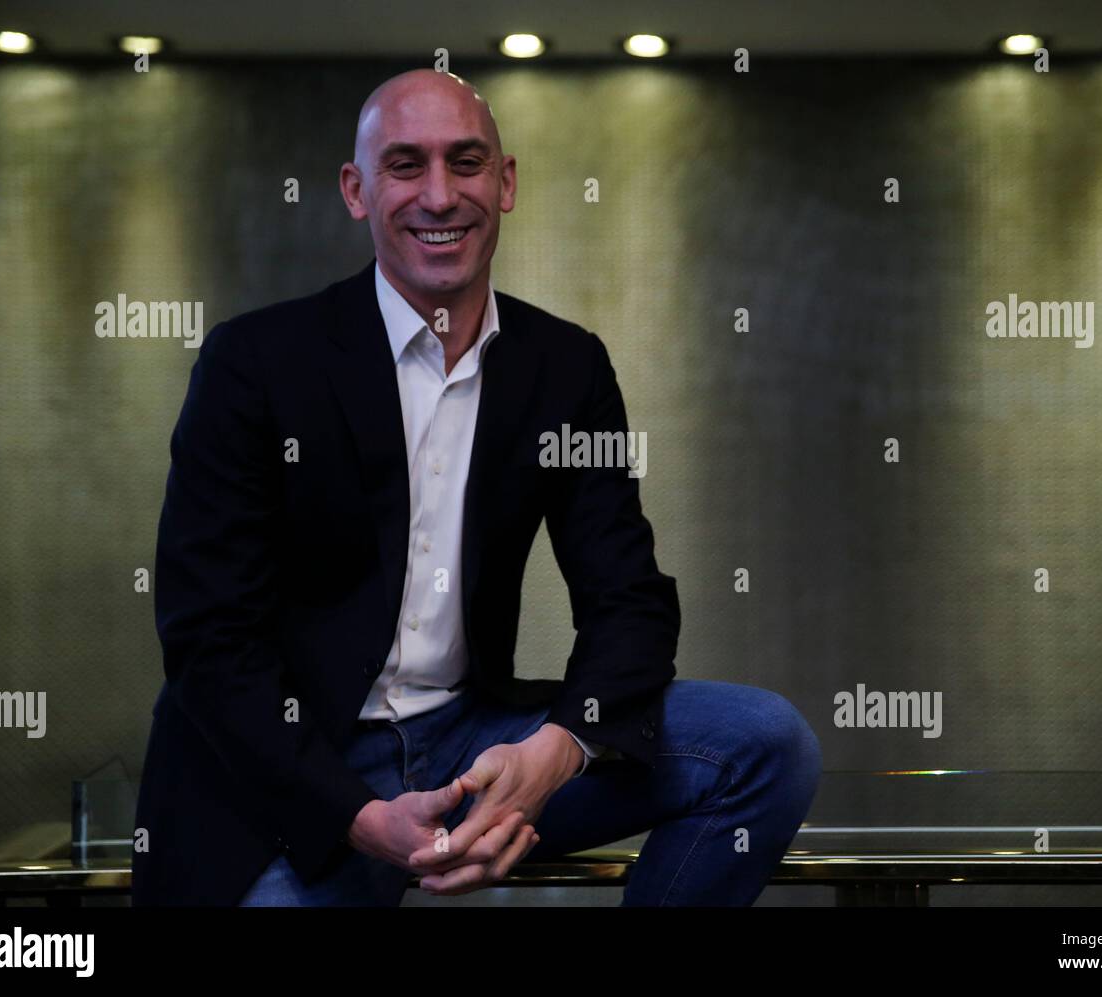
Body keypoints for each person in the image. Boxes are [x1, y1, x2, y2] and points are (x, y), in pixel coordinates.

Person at [132, 68, 821, 906]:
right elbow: (208, 640)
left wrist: (556, 751)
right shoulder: (254, 363)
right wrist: (360, 815)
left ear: (507, 181)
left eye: (465, 163)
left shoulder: (566, 367)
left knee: (765, 744)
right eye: (404, 166)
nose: (439, 195)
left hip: (473, 741)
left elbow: (628, 598)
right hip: (292, 767)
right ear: (356, 190)